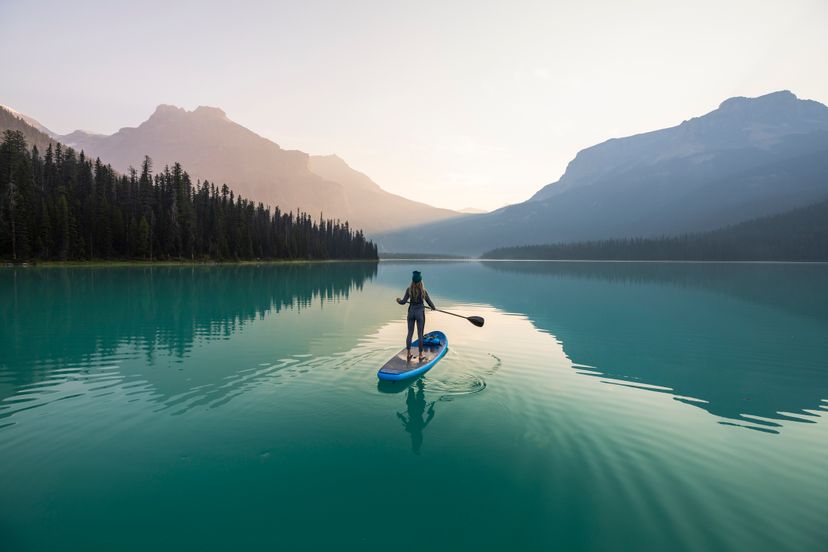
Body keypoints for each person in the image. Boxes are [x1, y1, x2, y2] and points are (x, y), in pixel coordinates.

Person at [396, 270, 436, 362]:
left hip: (411, 313)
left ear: (412, 280)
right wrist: (433, 307)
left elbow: (403, 302)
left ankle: (409, 353)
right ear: (421, 280)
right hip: (419, 314)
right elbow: (430, 303)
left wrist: (398, 300)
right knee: (420, 334)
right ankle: (421, 355)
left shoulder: (408, 290)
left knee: (410, 333)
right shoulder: (423, 291)